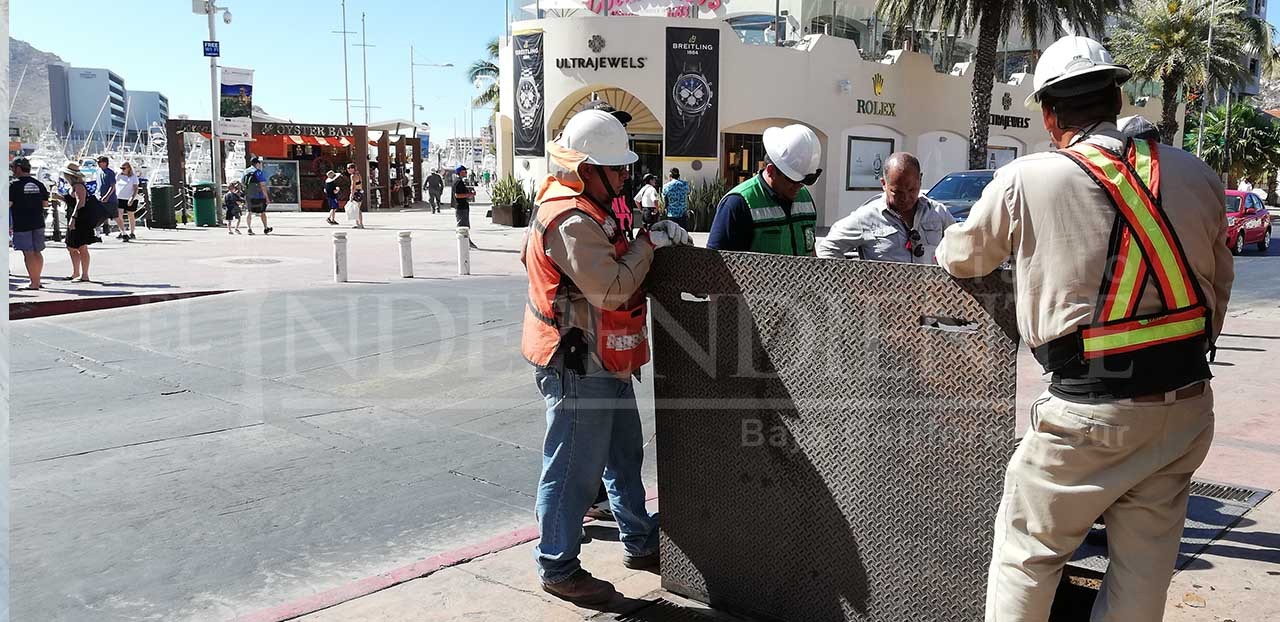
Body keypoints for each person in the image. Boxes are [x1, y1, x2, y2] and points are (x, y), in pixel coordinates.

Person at [934, 35, 1233, 621]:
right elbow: (1218, 290)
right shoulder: (1196, 173)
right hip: (1183, 406)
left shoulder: (1027, 179)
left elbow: (964, 256)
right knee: (1143, 572)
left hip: (1086, 414)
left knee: (1027, 555)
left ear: (1049, 114)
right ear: (1117, 97)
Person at [522, 109, 692, 605]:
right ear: (586, 170)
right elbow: (613, 289)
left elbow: (622, 246)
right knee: (573, 468)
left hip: (606, 359)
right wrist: (648, 245)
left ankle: (639, 541)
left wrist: (654, 235)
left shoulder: (596, 207)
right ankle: (557, 565)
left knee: (623, 458)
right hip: (577, 364)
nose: (625, 178)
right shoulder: (568, 219)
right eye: (616, 170)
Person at [816, 152, 955, 263]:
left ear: (921, 179)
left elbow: (961, 249)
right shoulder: (866, 217)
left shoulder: (939, 213)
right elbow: (827, 248)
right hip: (883, 297)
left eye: (912, 190)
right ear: (884, 184)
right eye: (897, 192)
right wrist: (852, 284)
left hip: (929, 296)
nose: (905, 198)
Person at [707, 123, 822, 255]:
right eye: (793, 180)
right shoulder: (737, 204)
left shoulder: (805, 198)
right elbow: (715, 264)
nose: (799, 187)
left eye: (805, 181)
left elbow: (811, 251)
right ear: (771, 171)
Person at [10, 157, 50, 290]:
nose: (12, 171)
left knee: (28, 253)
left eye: (13, 168)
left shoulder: (14, 185)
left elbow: (8, 204)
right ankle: (37, 280)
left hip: (22, 223)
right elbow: (45, 204)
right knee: (37, 252)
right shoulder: (39, 184)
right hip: (38, 221)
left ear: (19, 168)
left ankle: (34, 283)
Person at [59, 160, 101, 282]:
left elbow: (80, 202)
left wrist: (73, 218)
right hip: (77, 217)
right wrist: (60, 197)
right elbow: (73, 201)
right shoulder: (74, 186)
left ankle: (84, 274)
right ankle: (77, 272)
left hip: (80, 219)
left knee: (81, 247)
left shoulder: (78, 186)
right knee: (71, 246)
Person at [95, 155, 125, 240]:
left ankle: (124, 233)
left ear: (105, 163)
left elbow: (112, 186)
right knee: (97, 217)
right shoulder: (98, 172)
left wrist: (107, 196)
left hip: (110, 200)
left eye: (100, 162)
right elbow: (98, 185)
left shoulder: (110, 173)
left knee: (116, 217)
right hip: (99, 198)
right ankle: (97, 235)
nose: (98, 163)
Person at [242, 157, 273, 235]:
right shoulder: (258, 172)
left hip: (249, 195)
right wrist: (267, 197)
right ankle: (266, 228)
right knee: (262, 212)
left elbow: (242, 182)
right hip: (258, 196)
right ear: (257, 164)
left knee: (249, 212)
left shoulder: (245, 171)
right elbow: (262, 185)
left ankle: (249, 228)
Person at [453, 165, 478, 249]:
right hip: (461, 207)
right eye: (464, 171)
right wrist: (469, 194)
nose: (466, 173)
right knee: (462, 226)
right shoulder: (458, 182)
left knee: (465, 225)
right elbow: (457, 195)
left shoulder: (458, 181)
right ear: (460, 172)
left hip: (462, 206)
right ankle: (464, 242)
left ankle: (466, 241)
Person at [114, 161, 140, 240]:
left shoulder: (133, 177)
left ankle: (132, 232)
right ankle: (122, 231)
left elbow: (136, 189)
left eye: (124, 168)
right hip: (120, 197)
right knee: (119, 215)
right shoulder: (119, 175)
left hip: (130, 198)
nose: (122, 170)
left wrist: (132, 198)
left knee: (130, 215)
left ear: (128, 168)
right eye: (121, 168)